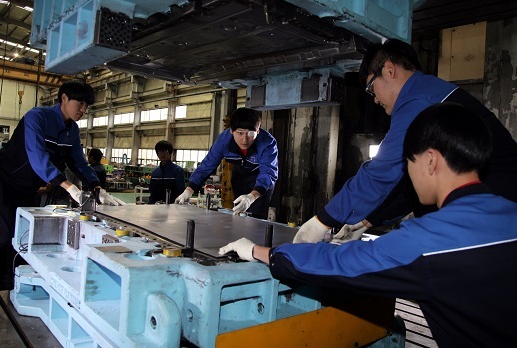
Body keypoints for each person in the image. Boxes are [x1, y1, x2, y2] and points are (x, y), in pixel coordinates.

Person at [219, 103, 517, 347]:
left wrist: (263, 252)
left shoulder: (428, 241)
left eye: (407, 165)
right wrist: (367, 221)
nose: (408, 177)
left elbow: (341, 264)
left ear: (430, 161)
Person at [293, 38, 517, 243]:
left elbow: (381, 172)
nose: (375, 101)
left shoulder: (418, 99)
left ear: (389, 70)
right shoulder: (430, 92)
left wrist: (323, 220)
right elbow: (411, 184)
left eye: (372, 90)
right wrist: (365, 221)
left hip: (495, 213)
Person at [0, 79, 125, 293]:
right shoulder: (37, 117)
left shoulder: (72, 131)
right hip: (2, 180)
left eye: (87, 106)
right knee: (2, 235)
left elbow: (79, 162)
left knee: (23, 234)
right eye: (80, 103)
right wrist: (68, 186)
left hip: (27, 186)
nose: (84, 109)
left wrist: (97, 186)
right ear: (64, 98)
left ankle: (9, 275)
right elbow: (37, 157)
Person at [174, 108, 278, 219]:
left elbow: (268, 172)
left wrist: (252, 197)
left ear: (258, 131)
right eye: (240, 133)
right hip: (239, 175)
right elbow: (206, 166)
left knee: (256, 216)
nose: (245, 139)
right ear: (231, 131)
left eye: (250, 133)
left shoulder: (268, 143)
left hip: (261, 181)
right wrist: (189, 191)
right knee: (239, 213)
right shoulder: (224, 141)